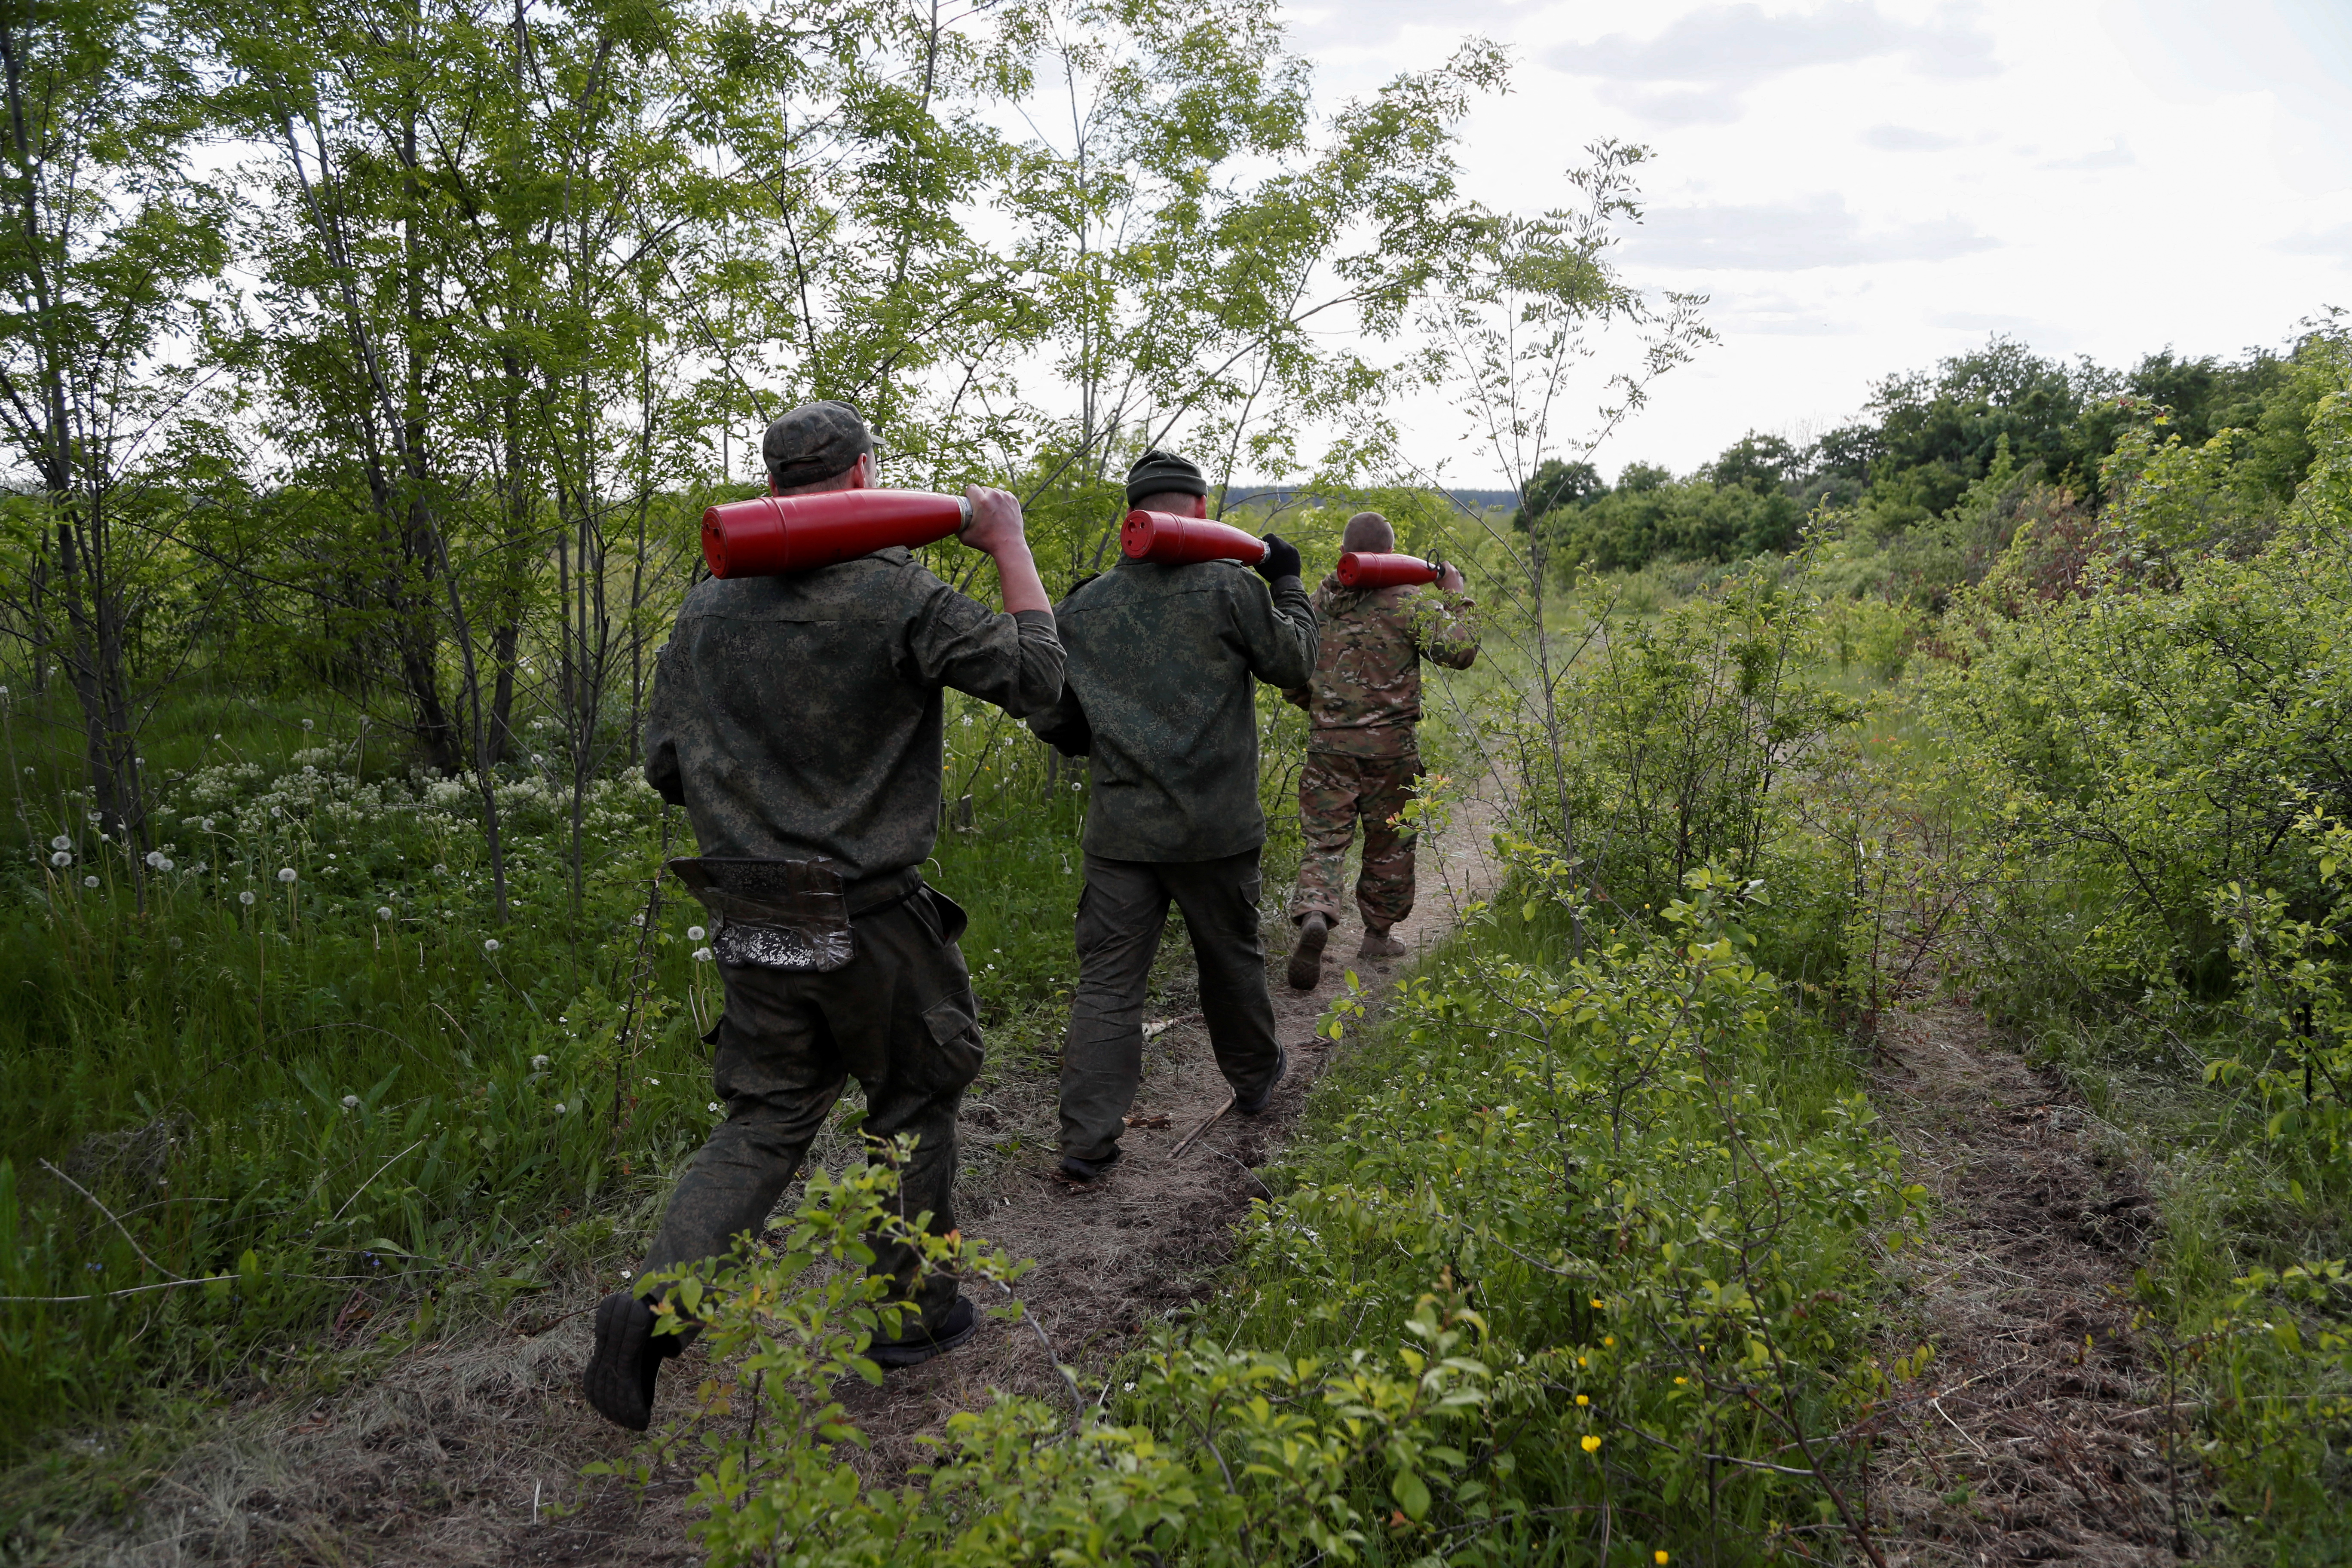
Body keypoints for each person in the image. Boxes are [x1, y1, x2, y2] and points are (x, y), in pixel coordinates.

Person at [582, 401, 1063, 1432]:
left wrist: (755, 791)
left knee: (764, 1115)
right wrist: (1009, 542)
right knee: (913, 1098)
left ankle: (650, 1309)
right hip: (871, 916)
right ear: (861, 480)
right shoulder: (897, 593)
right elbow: (1038, 680)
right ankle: (910, 1311)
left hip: (752, 906)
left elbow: (665, 765)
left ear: (772, 489)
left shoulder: (707, 606)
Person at [1030, 450, 1317, 1182]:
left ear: (1135, 514)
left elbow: (1056, 722)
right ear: (1196, 511)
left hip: (1122, 834)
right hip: (1215, 830)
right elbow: (1296, 664)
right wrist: (1285, 580)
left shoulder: (1084, 605)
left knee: (1108, 984)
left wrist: (1111, 729)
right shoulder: (1230, 588)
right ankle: (1253, 1078)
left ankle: (1085, 1142)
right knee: (1230, 960)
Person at [1281, 510, 1477, 992]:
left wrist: (1321, 708)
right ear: (1391, 555)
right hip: (1392, 748)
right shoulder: (1409, 602)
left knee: (1325, 839)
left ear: (1347, 553)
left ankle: (1316, 912)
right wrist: (1455, 596)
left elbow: (1292, 672)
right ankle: (1377, 935)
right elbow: (1462, 651)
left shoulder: (1318, 601)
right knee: (1390, 841)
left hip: (1329, 745)